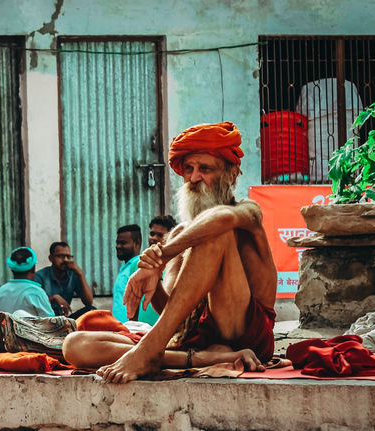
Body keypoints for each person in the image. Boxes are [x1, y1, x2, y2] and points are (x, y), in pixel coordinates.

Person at [64, 122, 277, 383]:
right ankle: (194, 358)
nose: (194, 178)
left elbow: (220, 218)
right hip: (196, 344)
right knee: (75, 345)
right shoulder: (177, 236)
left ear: (231, 175)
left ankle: (151, 350)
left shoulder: (248, 212)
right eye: (188, 169)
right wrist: (152, 284)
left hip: (244, 332)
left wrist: (159, 257)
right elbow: (177, 316)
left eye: (205, 169)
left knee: (215, 232)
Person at [34, 242, 94, 319]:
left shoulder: (73, 275)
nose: (65, 260)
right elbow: (34, 304)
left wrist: (81, 274)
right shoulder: (40, 276)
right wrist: (54, 298)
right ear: (51, 258)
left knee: (91, 310)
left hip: (64, 320)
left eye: (68, 257)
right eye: (60, 256)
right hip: (45, 320)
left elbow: (89, 302)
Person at [0, 247, 54, 317]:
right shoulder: (36, 292)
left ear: (12, 269)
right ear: (33, 268)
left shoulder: (1, 291)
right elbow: (50, 322)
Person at [111, 225, 142, 324]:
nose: (118, 246)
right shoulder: (126, 268)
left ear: (137, 243)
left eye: (123, 243)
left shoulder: (139, 265)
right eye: (117, 243)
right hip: (121, 329)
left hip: (131, 329)